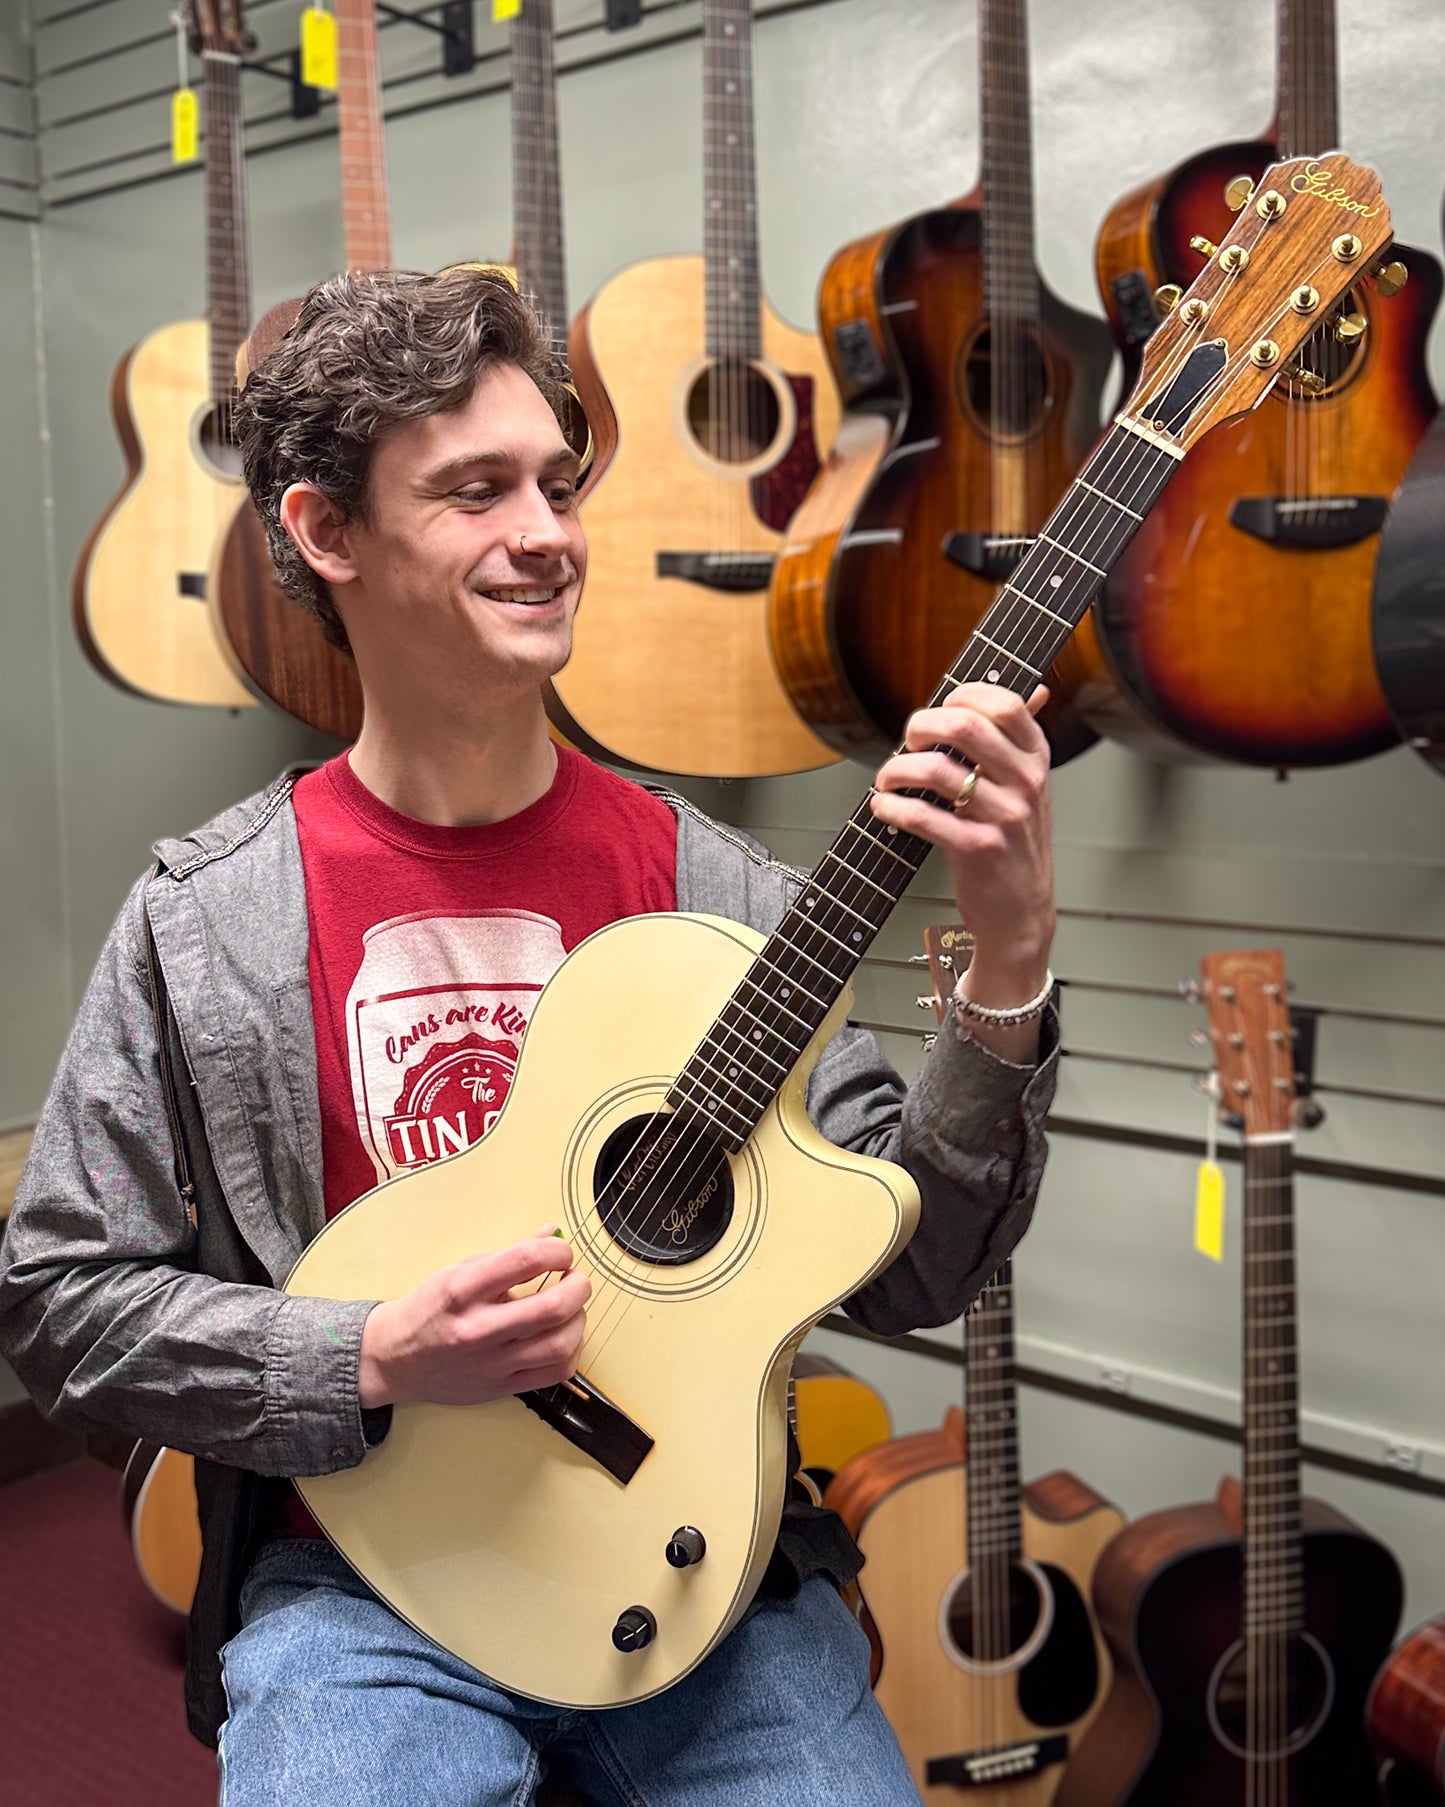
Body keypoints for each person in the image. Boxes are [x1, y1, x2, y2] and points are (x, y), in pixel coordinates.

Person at [0, 267, 1060, 1807]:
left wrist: (1013, 958)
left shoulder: (728, 895)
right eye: (476, 491)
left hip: (706, 1577)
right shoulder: (207, 919)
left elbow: (913, 1271)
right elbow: (58, 1295)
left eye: (557, 485)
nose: (549, 534)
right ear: (325, 532)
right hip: (366, 1580)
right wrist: (367, 1353)